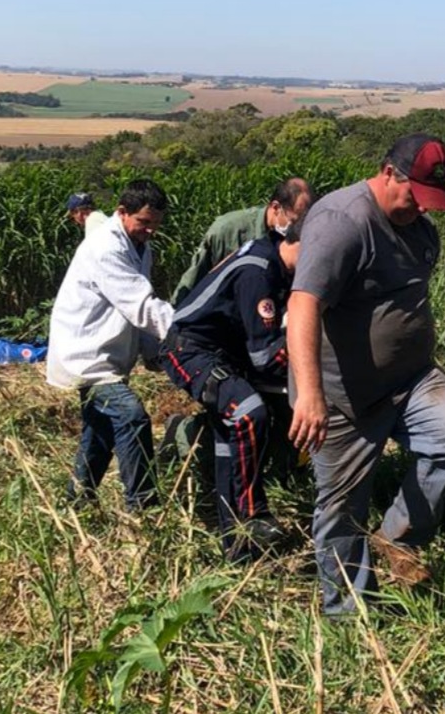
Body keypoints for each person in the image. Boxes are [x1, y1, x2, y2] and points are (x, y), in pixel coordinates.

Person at [287, 133, 445, 615]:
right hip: (342, 395)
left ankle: (397, 536)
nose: (421, 208)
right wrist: (309, 394)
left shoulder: (419, 229)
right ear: (388, 171)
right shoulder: (343, 222)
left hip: (411, 380)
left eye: (430, 201)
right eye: (414, 195)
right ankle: (346, 613)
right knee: (342, 506)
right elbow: (303, 303)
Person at [160, 234, 299, 562]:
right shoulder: (259, 272)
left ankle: (235, 548)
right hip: (191, 349)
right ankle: (252, 514)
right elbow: (266, 356)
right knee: (248, 413)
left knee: (231, 440)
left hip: (225, 353)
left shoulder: (275, 262)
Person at [47, 179, 174, 512]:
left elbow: (136, 306)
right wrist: (186, 333)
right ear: (121, 212)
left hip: (110, 352)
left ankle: (77, 503)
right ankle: (144, 509)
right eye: (144, 222)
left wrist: (153, 353)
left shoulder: (140, 247)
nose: (150, 230)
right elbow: (142, 306)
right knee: (131, 417)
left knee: (100, 431)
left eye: (155, 224)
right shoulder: (107, 247)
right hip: (87, 354)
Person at [172, 178, 312, 305]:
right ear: (276, 208)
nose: (298, 227)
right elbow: (195, 277)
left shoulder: (299, 237)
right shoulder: (227, 230)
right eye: (294, 221)